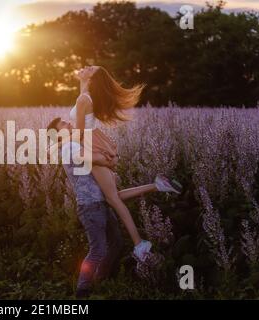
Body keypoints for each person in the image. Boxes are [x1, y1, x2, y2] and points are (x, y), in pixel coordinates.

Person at [47, 118, 181, 297]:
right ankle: (82, 290)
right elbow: (92, 157)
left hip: (100, 203)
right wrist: (106, 158)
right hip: (90, 207)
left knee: (116, 242)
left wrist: (106, 157)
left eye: (66, 121)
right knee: (98, 249)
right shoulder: (68, 148)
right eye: (63, 124)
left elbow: (99, 159)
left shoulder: (72, 144)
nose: (69, 123)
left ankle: (100, 278)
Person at [67, 65, 182, 260]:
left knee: (113, 199)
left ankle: (139, 244)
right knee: (114, 195)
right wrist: (82, 81)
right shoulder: (86, 96)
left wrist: (77, 149)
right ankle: (157, 185)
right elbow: (84, 118)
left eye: (90, 69)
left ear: (93, 79)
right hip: (96, 142)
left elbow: (78, 133)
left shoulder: (84, 99)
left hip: (90, 146)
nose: (86, 67)